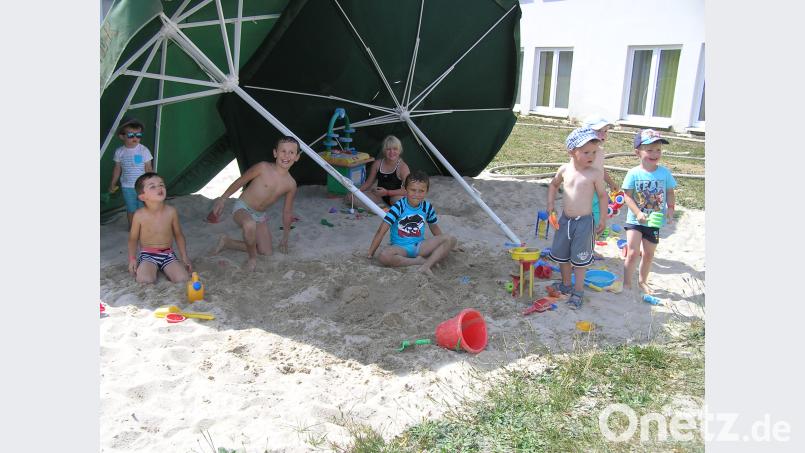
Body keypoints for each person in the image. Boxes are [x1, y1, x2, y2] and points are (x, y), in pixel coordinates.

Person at [210, 136, 301, 271]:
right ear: (275, 153)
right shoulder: (263, 167)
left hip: (260, 215)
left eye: (291, 152)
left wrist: (285, 237)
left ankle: (227, 242)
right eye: (283, 151)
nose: (286, 155)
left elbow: (287, 212)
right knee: (249, 224)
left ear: (297, 157)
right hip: (242, 207)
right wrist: (223, 198)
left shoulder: (291, 184)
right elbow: (241, 181)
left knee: (266, 251)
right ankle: (252, 259)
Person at [546, 127, 608, 309]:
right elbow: (553, 185)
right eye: (586, 152)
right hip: (564, 220)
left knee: (580, 260)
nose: (592, 156)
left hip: (584, 222)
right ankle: (566, 284)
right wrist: (550, 204)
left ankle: (578, 291)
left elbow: (603, 196)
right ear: (572, 152)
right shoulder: (564, 170)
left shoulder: (594, 173)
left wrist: (603, 218)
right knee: (563, 256)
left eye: (594, 152)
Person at [367, 170, 456, 276]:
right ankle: (419, 262)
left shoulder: (427, 207)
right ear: (405, 190)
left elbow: (434, 227)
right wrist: (370, 253)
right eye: (413, 190)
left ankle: (427, 265)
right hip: (401, 248)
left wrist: (447, 245)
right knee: (384, 256)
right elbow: (381, 231)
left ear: (426, 191)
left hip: (420, 246)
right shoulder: (398, 207)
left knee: (451, 239)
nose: (416, 195)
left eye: (421, 191)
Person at [621, 129, 677, 294]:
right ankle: (626, 283)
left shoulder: (664, 173)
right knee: (632, 253)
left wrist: (671, 209)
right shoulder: (633, 173)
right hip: (635, 221)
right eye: (650, 149)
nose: (655, 153)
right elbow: (627, 197)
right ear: (637, 152)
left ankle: (642, 281)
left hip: (654, 221)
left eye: (658, 149)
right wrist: (638, 213)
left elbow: (670, 192)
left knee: (649, 254)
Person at [127, 172, 191, 283]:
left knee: (183, 278)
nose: (159, 188)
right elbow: (133, 239)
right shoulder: (139, 215)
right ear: (142, 197)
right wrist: (132, 259)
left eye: (161, 185)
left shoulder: (171, 211)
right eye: (152, 186)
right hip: (148, 255)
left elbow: (178, 235)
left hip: (168, 254)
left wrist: (184, 257)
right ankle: (153, 269)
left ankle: (165, 269)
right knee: (145, 280)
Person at [583, 116, 619, 259]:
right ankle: (580, 249)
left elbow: (601, 170)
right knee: (584, 222)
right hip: (585, 192)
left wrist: (611, 183)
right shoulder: (582, 152)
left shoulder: (601, 151)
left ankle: (590, 249)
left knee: (597, 220)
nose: (603, 134)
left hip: (598, 192)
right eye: (599, 131)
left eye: (605, 131)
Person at [108, 118, 153, 228]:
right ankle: (132, 227)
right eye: (131, 135)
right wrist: (112, 183)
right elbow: (117, 169)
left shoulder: (143, 150)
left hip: (142, 186)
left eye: (138, 135)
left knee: (143, 208)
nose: (135, 138)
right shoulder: (120, 152)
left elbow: (148, 168)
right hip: (127, 187)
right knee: (131, 208)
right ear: (122, 136)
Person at [346, 135, 410, 207]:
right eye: (388, 149)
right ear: (384, 150)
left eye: (395, 149)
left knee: (401, 204)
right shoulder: (377, 163)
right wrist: (356, 192)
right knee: (352, 198)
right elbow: (368, 183)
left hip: (395, 196)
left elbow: (407, 190)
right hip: (379, 195)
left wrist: (387, 192)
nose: (392, 152)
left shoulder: (403, 167)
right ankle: (381, 207)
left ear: (399, 150)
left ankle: (380, 208)